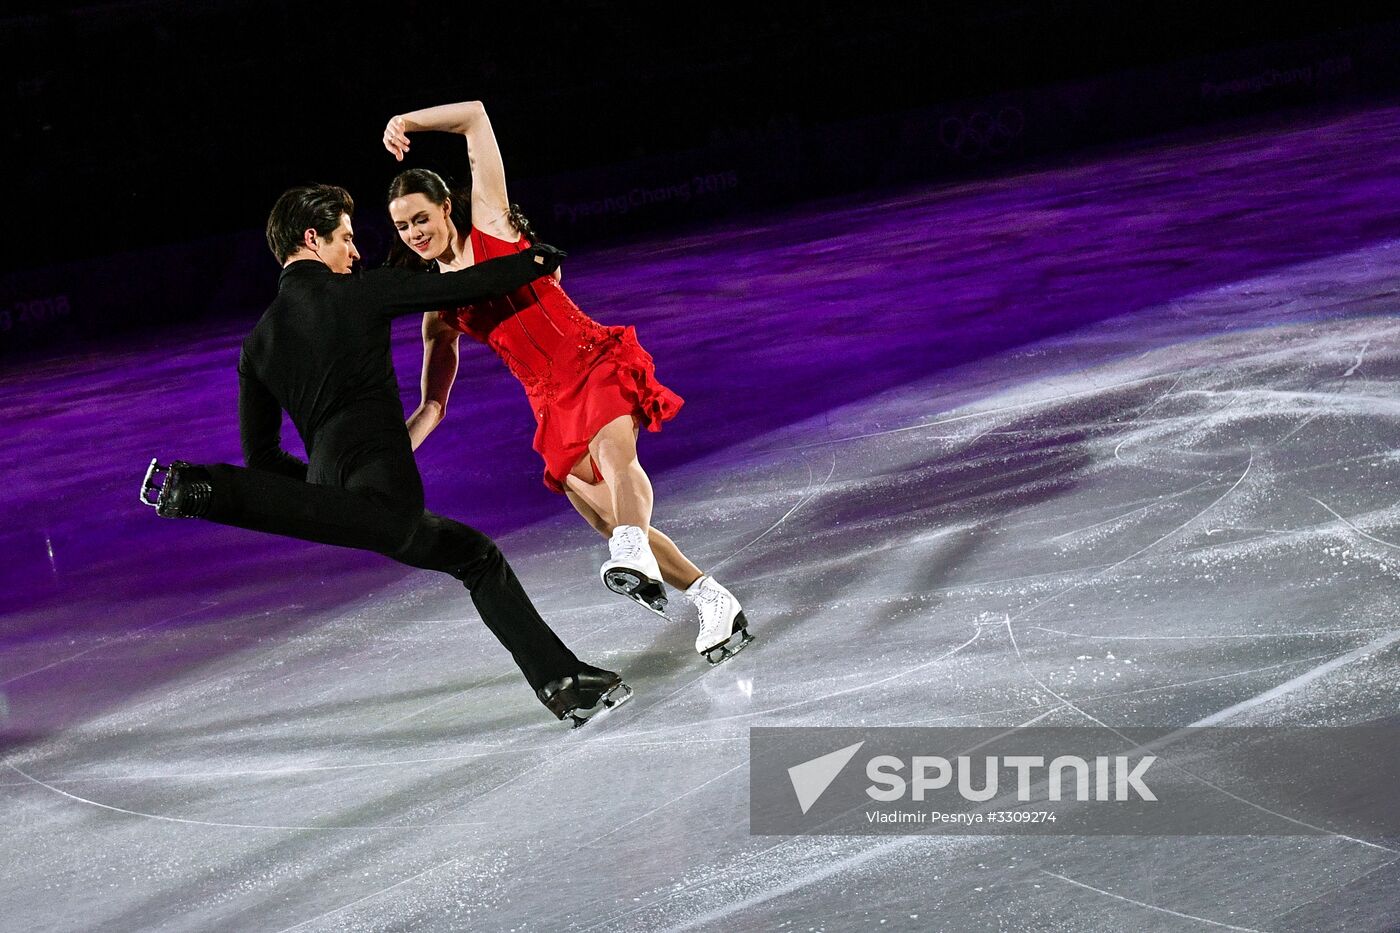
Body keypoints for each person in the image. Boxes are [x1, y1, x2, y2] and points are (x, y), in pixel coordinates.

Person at [139, 183, 628, 727]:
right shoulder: (359, 292)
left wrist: (328, 492)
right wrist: (534, 260)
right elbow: (464, 284)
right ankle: (206, 488)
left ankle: (561, 679)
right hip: (386, 494)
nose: (355, 252)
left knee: (476, 555)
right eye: (346, 239)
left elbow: (265, 457)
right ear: (312, 239)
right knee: (473, 556)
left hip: (338, 497)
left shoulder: (257, 343)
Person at [379, 100, 752, 665]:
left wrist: (407, 121)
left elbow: (476, 117)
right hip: (547, 400)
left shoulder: (490, 225)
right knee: (609, 517)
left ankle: (633, 551)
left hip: (588, 357)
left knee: (615, 456)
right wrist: (391, 456)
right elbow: (432, 403)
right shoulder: (437, 308)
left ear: (446, 207)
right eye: (402, 227)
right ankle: (713, 600)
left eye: (421, 219)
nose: (414, 234)